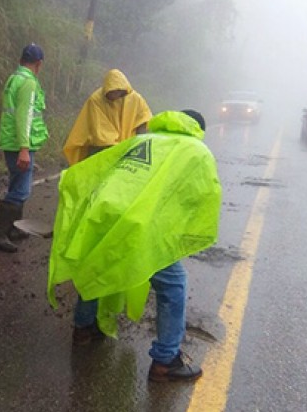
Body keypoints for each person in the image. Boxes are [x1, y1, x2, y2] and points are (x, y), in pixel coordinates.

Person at [47, 110, 222, 382]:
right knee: (172, 285)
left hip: (104, 211)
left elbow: (103, 166)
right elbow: (201, 196)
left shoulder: (143, 140)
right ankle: (166, 360)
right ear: (197, 129)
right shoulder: (196, 150)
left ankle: (84, 328)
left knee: (97, 265)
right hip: (139, 224)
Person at [0, 43, 49, 252]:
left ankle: (13, 229)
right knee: (21, 191)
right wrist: (24, 147)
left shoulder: (15, 78)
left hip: (11, 142)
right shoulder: (29, 83)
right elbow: (24, 116)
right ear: (39, 64)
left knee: (16, 186)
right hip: (20, 144)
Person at [62, 68, 152, 166]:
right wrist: (119, 149)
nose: (114, 95)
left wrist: (139, 143)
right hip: (101, 149)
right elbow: (101, 132)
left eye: (117, 92)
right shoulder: (96, 101)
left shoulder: (135, 99)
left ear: (122, 90)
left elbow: (143, 120)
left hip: (128, 148)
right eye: (112, 92)